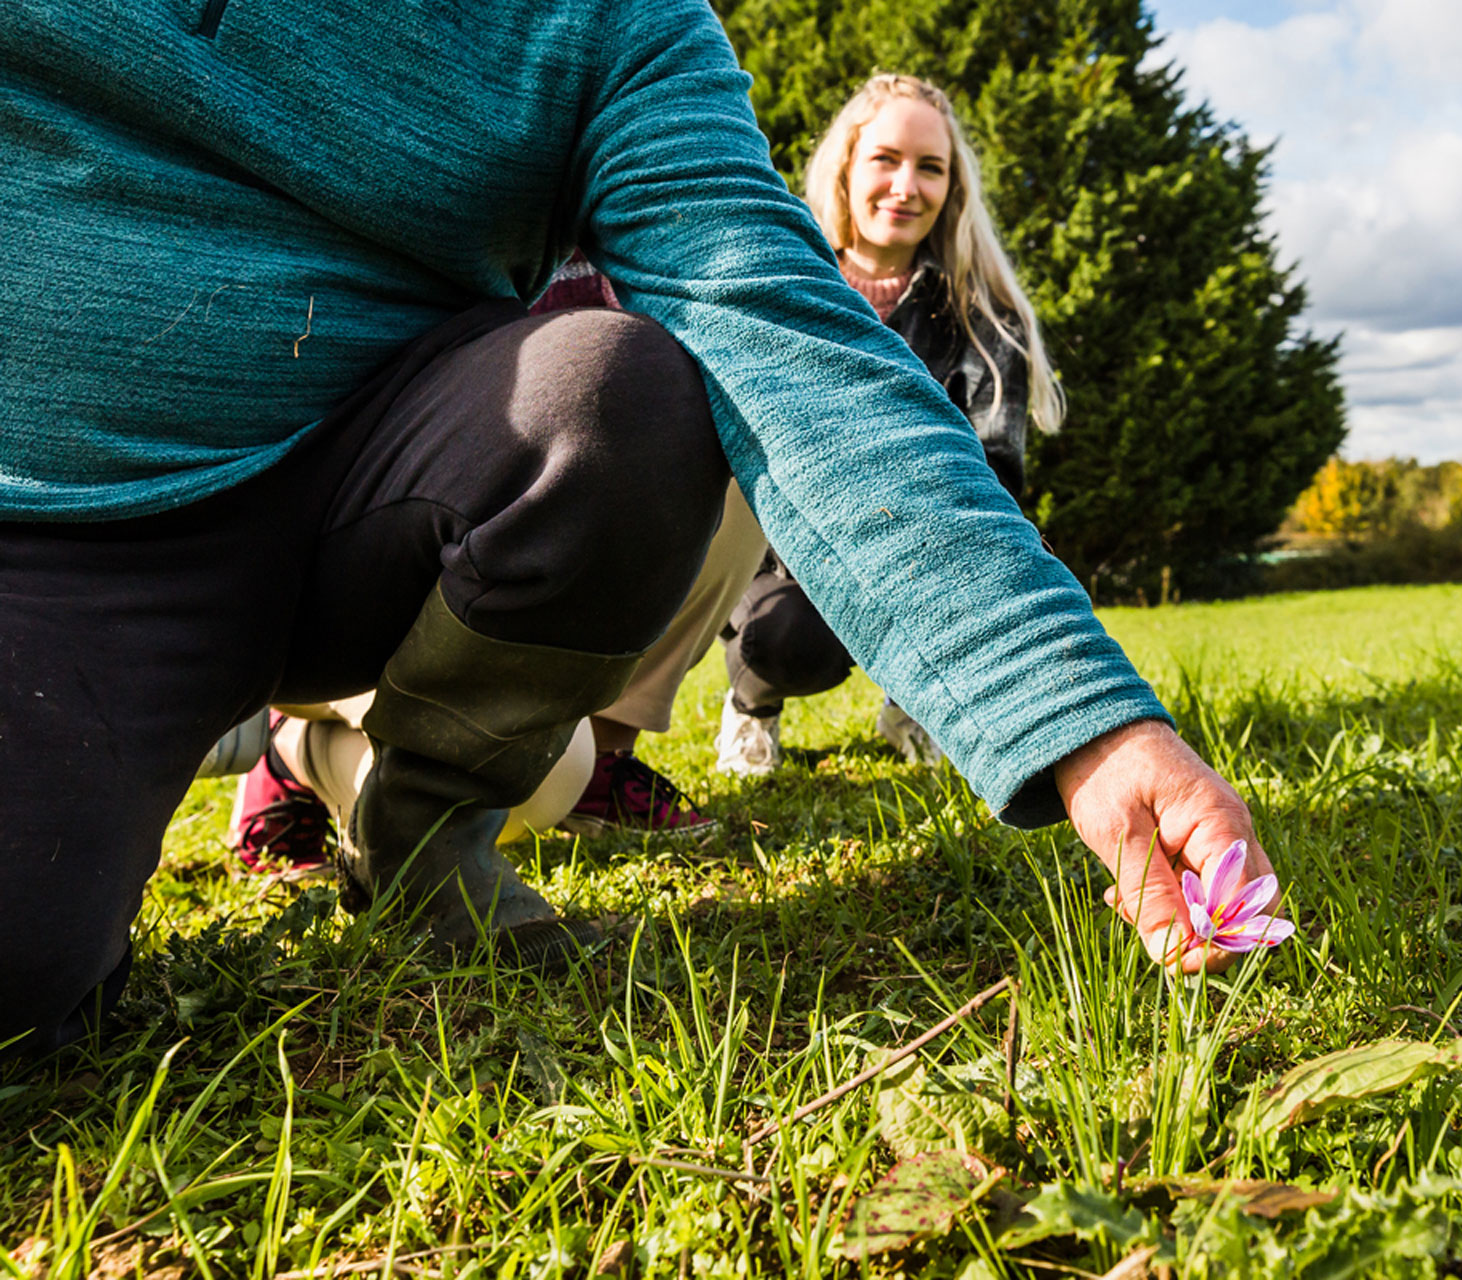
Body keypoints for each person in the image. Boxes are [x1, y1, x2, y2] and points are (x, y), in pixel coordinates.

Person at [0, 0, 1277, 1056]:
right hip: (56, 525)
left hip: (385, 503)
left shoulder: (615, 26)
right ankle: (286, 753)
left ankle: (425, 823)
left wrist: (1073, 713)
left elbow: (781, 331)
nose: (907, 185)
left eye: (929, 167)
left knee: (624, 389)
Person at [225, 255, 768, 873]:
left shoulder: (643, 206)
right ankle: (294, 753)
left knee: (731, 452)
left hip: (531, 546)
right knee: (537, 785)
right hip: (374, 541)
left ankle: (609, 747)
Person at [714, 74, 1062, 777]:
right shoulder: (782, 286)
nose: (906, 185)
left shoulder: (985, 317)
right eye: (886, 159)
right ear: (845, 165)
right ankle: (751, 707)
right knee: (788, 641)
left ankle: (916, 705)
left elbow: (996, 470)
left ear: (952, 187)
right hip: (783, 557)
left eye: (930, 167)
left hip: (927, 549)